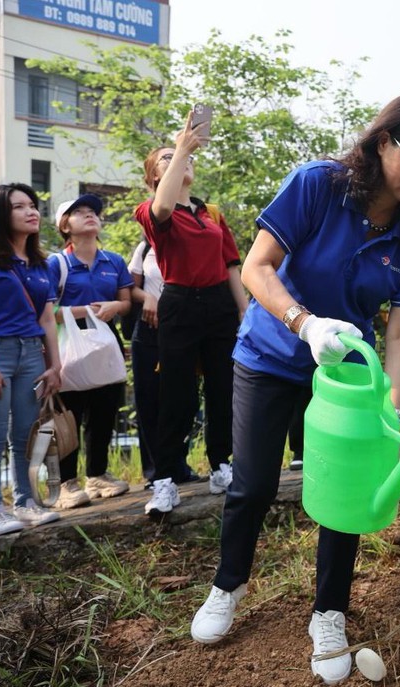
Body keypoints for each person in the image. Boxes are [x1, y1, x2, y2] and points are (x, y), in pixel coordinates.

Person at [188, 93, 400, 683]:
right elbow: (257, 268)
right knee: (254, 485)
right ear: (384, 142)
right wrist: (304, 323)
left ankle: (329, 612)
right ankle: (228, 585)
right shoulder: (318, 185)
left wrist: (390, 409)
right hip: (270, 354)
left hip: (346, 379)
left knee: (346, 493)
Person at [134, 110, 249, 517]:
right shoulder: (150, 210)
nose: (181, 160)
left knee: (223, 388)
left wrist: (244, 314)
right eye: (166, 159)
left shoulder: (211, 213)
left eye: (182, 157)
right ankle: (165, 480)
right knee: (177, 394)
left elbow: (232, 266)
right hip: (179, 303)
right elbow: (163, 209)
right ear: (153, 177)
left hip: (218, 303)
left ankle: (221, 466)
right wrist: (182, 145)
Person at [47, 195, 133, 508]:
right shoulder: (55, 264)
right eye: (79, 212)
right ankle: (65, 483)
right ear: (64, 226)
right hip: (68, 346)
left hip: (106, 345)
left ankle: (97, 475)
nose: (89, 216)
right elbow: (45, 312)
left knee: (104, 411)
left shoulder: (114, 261)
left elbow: (125, 302)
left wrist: (116, 306)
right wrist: (87, 311)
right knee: (68, 415)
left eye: (93, 212)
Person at [0, 183, 62, 534]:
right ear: (1, 214)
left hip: (32, 353)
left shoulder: (40, 263)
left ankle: (26, 503)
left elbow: (47, 318)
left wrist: (55, 363)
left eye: (33, 205)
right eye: (19, 207)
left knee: (26, 436)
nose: (31, 211)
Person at [127, 238, 200, 486]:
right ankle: (157, 471)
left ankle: (178, 464)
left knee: (185, 399)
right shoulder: (145, 247)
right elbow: (129, 287)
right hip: (150, 330)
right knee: (149, 400)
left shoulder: (193, 243)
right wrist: (148, 298)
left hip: (185, 329)